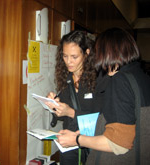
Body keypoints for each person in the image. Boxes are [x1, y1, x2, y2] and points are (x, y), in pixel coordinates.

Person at [56, 28, 150, 163]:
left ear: (107, 53)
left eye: (98, 52)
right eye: (65, 56)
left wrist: (77, 139)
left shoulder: (119, 80)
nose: (96, 58)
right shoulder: (142, 78)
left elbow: (118, 144)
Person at [45, 30, 108, 165]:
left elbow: (102, 119)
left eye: (74, 57)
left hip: (92, 144)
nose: (69, 62)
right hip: (69, 143)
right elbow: (63, 116)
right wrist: (55, 104)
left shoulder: (100, 79)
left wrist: (71, 112)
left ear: (87, 53)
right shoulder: (66, 78)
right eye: (65, 56)